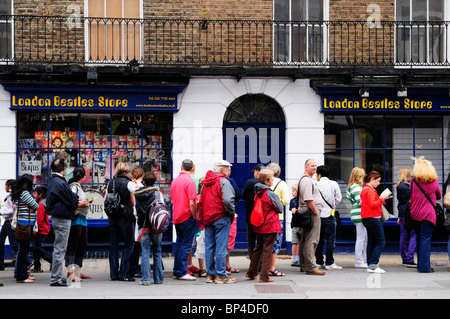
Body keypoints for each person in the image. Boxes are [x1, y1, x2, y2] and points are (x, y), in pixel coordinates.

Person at [198, 160, 236, 284]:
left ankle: (210, 275)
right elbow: (228, 200)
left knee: (209, 247)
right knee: (221, 247)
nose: (229, 171)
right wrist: (230, 214)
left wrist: (203, 218)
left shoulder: (205, 184)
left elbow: (201, 202)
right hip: (220, 217)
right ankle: (221, 276)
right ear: (222, 170)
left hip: (208, 219)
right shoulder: (224, 182)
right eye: (228, 168)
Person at [46, 159, 79, 286]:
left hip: (57, 217)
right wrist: (75, 199)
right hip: (62, 218)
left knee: (59, 248)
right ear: (63, 169)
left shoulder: (54, 181)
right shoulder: (60, 182)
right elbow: (72, 200)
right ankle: (56, 278)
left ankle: (57, 276)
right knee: (60, 249)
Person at [246, 169, 283, 283]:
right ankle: (264, 276)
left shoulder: (258, 193)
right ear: (266, 181)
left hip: (260, 224)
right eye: (271, 179)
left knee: (258, 248)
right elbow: (280, 209)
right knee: (267, 250)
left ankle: (251, 272)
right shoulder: (270, 193)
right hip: (270, 224)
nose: (273, 180)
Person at [104, 162, 136, 281]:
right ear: (127, 171)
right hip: (126, 217)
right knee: (129, 245)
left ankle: (113, 273)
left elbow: (105, 199)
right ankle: (124, 273)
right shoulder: (129, 184)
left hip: (112, 217)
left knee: (114, 245)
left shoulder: (110, 183)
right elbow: (133, 202)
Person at [410, 156, 441, 273]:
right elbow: (438, 196)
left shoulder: (413, 182)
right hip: (428, 214)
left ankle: (420, 265)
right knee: (425, 240)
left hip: (415, 213)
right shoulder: (434, 182)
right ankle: (424, 267)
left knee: (419, 239)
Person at [134, 171, 164, 285]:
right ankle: (158, 278)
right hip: (156, 225)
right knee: (157, 251)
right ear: (154, 182)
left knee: (145, 252)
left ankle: (146, 279)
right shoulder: (157, 193)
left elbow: (136, 211)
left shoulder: (137, 194)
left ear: (144, 182)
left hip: (143, 225)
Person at [170, 159, 198, 281]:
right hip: (187, 216)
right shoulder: (190, 181)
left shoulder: (174, 181)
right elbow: (192, 202)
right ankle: (181, 272)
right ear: (191, 168)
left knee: (179, 243)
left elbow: (172, 200)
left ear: (181, 167)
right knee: (186, 245)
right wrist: (195, 215)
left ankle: (177, 270)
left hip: (177, 216)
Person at [297, 159, 324, 275]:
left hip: (308, 213)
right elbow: (308, 199)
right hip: (311, 213)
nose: (314, 168)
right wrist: (315, 211)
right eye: (312, 166)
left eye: (315, 166)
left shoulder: (306, 180)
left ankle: (305, 265)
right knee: (312, 240)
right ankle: (311, 267)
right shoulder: (307, 181)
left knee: (305, 240)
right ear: (306, 167)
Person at [11, 174, 39, 284]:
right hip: (27, 225)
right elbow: (36, 206)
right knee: (23, 251)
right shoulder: (25, 193)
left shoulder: (18, 194)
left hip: (22, 224)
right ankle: (21, 277)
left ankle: (21, 274)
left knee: (22, 251)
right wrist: (32, 206)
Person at [361, 170, 390, 274]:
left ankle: (370, 264)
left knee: (372, 242)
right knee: (380, 242)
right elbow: (373, 204)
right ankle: (373, 264)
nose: (379, 183)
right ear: (372, 179)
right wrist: (382, 198)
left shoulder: (366, 189)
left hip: (368, 218)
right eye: (377, 181)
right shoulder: (369, 190)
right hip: (373, 218)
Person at [315, 165, 342, 270]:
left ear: (319, 174)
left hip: (318, 215)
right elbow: (339, 198)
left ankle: (319, 261)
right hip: (330, 214)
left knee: (319, 239)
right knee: (331, 239)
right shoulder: (333, 184)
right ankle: (329, 262)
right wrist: (332, 205)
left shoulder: (316, 184)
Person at [66, 166, 90, 281]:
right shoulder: (73, 187)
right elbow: (70, 202)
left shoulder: (77, 186)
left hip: (82, 220)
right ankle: (70, 273)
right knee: (73, 247)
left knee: (81, 246)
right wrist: (81, 204)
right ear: (84, 176)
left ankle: (78, 272)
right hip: (75, 221)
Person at [266, 163, 289, 277]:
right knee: (276, 243)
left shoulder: (263, 183)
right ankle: (271, 268)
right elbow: (286, 201)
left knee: (264, 242)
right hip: (277, 218)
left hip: (264, 217)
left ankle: (263, 266)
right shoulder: (281, 184)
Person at [346, 167, 368, 268]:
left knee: (363, 238)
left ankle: (364, 260)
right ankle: (359, 261)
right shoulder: (357, 188)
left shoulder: (351, 187)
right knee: (361, 239)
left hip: (356, 214)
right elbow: (361, 202)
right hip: (360, 214)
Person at [242, 164, 264, 259]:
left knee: (251, 241)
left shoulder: (250, 182)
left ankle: (253, 262)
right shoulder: (267, 184)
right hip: (263, 216)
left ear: (256, 172)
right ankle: (261, 263)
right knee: (262, 241)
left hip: (251, 215)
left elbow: (243, 197)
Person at [395, 167, 417, 267]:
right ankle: (410, 258)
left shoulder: (399, 186)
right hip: (412, 211)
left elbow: (400, 202)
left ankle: (404, 258)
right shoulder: (413, 186)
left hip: (402, 212)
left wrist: (399, 216)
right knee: (413, 234)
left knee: (403, 234)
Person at [31, 186, 53, 273]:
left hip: (41, 229)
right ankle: (37, 266)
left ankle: (52, 260)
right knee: (35, 248)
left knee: (37, 247)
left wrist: (35, 231)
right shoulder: (44, 203)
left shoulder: (40, 204)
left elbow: (39, 219)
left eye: (35, 193)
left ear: (40, 195)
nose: (34, 195)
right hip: (43, 229)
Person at [0, 179, 18, 271]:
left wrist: (1, 212)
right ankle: (0, 264)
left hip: (10, 223)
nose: (5, 187)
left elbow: (11, 211)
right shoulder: (10, 196)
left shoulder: (13, 197)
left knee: (14, 244)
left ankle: (27, 261)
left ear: (10, 187)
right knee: (0, 242)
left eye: (6, 185)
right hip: (6, 222)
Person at [226, 177, 241, 275]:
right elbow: (238, 195)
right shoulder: (230, 181)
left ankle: (225, 265)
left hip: (215, 215)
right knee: (228, 240)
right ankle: (225, 266)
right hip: (229, 213)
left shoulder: (212, 180)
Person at [194, 177, 206, 277]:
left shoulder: (197, 196)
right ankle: (204, 269)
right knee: (203, 245)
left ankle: (202, 269)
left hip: (197, 223)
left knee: (199, 245)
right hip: (204, 224)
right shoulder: (205, 197)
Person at [289, 184, 302, 267]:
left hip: (302, 224)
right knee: (295, 242)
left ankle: (299, 259)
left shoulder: (302, 200)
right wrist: (297, 209)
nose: (292, 193)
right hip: (295, 224)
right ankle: (294, 259)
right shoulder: (292, 201)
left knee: (300, 243)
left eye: (294, 191)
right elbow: (293, 210)